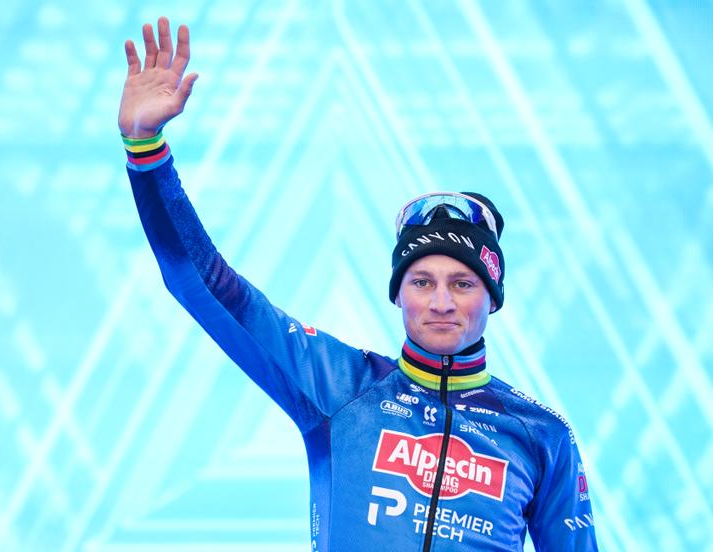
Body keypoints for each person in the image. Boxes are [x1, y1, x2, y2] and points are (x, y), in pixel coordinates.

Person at [118, 16, 599, 552]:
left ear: (494, 297)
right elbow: (199, 280)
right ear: (398, 293)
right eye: (422, 281)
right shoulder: (339, 385)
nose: (441, 302)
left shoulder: (542, 435)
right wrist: (146, 148)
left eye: (463, 284)